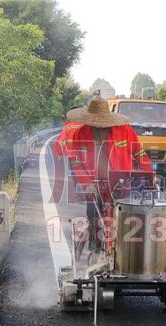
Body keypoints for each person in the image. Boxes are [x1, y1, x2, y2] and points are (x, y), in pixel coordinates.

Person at [66, 96, 153, 250]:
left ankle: (123, 252)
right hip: (95, 184)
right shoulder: (79, 134)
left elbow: (139, 154)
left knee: (125, 220)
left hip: (120, 183)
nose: (99, 127)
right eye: (95, 124)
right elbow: (76, 163)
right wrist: (87, 184)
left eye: (102, 124)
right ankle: (95, 250)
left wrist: (149, 176)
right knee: (94, 218)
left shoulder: (124, 131)